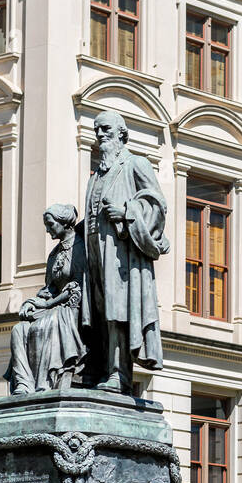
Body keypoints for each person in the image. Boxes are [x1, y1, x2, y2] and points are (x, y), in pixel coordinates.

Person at [82, 110, 169, 393]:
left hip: (121, 255)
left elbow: (157, 205)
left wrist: (126, 214)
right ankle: (100, 369)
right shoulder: (96, 176)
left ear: (121, 132)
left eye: (105, 128)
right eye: (96, 130)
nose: (100, 135)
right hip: (96, 252)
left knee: (117, 313)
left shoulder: (135, 164)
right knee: (99, 313)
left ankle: (119, 374)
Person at [5, 204, 87, 394]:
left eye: (50, 224)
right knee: (19, 329)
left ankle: (46, 382)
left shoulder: (80, 248)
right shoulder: (54, 254)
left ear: (64, 223)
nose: (47, 229)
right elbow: (49, 288)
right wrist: (32, 303)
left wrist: (49, 303)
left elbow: (78, 287)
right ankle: (25, 383)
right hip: (55, 304)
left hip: (73, 307)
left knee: (46, 325)